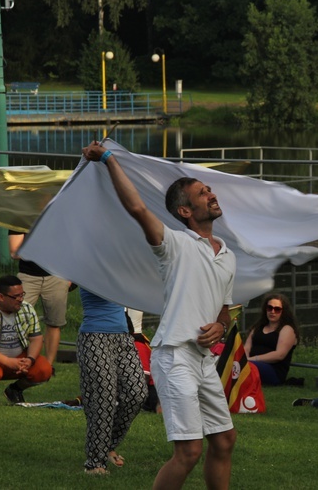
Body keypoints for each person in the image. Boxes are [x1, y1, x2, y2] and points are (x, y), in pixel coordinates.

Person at [82, 142, 236, 489]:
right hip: (175, 357)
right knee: (189, 452)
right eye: (202, 192)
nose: (211, 194)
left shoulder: (227, 254)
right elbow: (136, 207)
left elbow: (224, 311)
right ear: (185, 211)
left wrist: (220, 327)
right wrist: (107, 159)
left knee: (224, 441)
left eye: (209, 189)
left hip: (203, 362)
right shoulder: (173, 244)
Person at [78, 288, 148, 475]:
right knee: (103, 399)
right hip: (94, 336)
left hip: (123, 336)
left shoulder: (119, 264)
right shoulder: (89, 266)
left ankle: (106, 445)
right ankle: (95, 463)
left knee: (137, 393)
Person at [0, 275, 53, 403]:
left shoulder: (27, 308)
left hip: (19, 357)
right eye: (16, 297)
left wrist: (30, 359)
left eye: (22, 295)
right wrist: (8, 361)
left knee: (44, 370)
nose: (21, 300)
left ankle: (15, 389)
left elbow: (36, 338)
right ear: (1, 297)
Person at [9, 231, 71, 366]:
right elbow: (15, 251)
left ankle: (48, 366)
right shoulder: (22, 218)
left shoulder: (58, 216)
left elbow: (70, 246)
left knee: (54, 323)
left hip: (57, 276)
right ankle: (18, 360)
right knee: (16, 319)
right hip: (28, 276)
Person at [244, 293, 299, 385]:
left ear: (283, 311)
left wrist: (251, 359)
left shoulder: (287, 329)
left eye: (277, 309)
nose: (272, 311)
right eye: (269, 308)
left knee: (248, 366)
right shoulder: (258, 327)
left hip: (273, 370)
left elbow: (279, 355)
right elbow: (247, 347)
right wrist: (243, 359)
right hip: (251, 363)